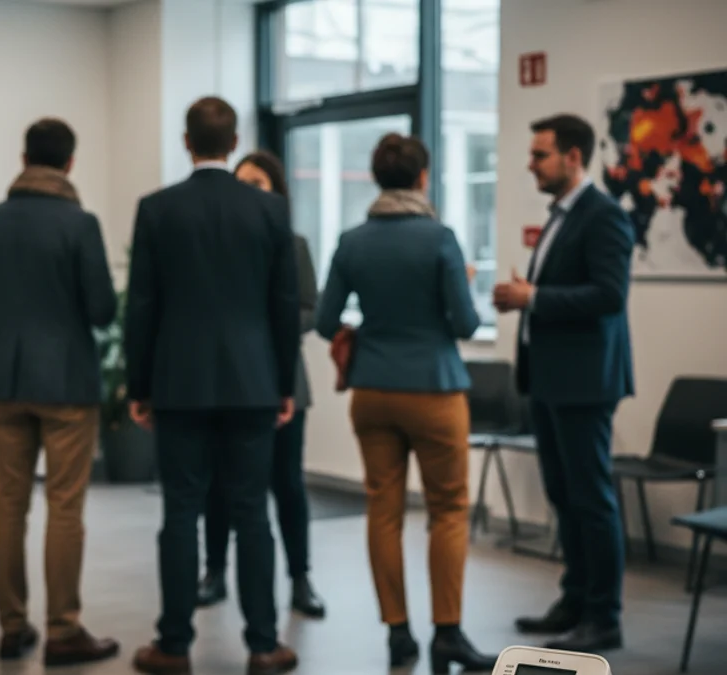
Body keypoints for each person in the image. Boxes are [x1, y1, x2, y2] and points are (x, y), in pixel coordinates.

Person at [126, 97, 301, 675]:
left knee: (180, 512)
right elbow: (283, 306)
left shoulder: (157, 209)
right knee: (253, 514)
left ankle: (174, 645)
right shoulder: (270, 210)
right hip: (252, 382)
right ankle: (264, 645)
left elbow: (142, 306)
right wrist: (283, 383)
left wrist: (139, 386)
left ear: (187, 142)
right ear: (234, 143)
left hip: (179, 384)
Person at [315, 133, 497, 673]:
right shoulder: (440, 238)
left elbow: (325, 321)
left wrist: (368, 331)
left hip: (372, 390)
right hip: (433, 388)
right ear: (422, 178)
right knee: (448, 510)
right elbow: (465, 324)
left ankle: (398, 634)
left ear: (377, 178)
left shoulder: (352, 241)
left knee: (383, 510)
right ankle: (447, 633)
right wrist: (462, 282)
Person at [0, 118, 121, 666]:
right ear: (70, 163)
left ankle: (12, 626)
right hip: (67, 383)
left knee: (9, 503)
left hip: (7, 379)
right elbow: (102, 310)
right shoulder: (80, 224)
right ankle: (63, 629)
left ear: (23, 158)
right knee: (64, 506)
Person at [495, 113, 633, 654]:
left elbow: (608, 296)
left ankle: (604, 616)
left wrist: (533, 298)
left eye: (540, 155)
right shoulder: (561, 216)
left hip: (585, 383)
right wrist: (529, 297)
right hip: (550, 380)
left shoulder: (604, 216)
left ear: (573, 157)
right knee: (563, 495)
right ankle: (574, 600)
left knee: (591, 500)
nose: (531, 164)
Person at [196, 150, 325, 619]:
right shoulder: (215, 244)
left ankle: (301, 578)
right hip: (226, 379)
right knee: (218, 482)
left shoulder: (293, 243)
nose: (249, 192)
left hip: (282, 377)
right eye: (242, 183)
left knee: (288, 483)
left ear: (276, 193)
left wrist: (266, 325)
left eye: (259, 184)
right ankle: (214, 572)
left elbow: (310, 309)